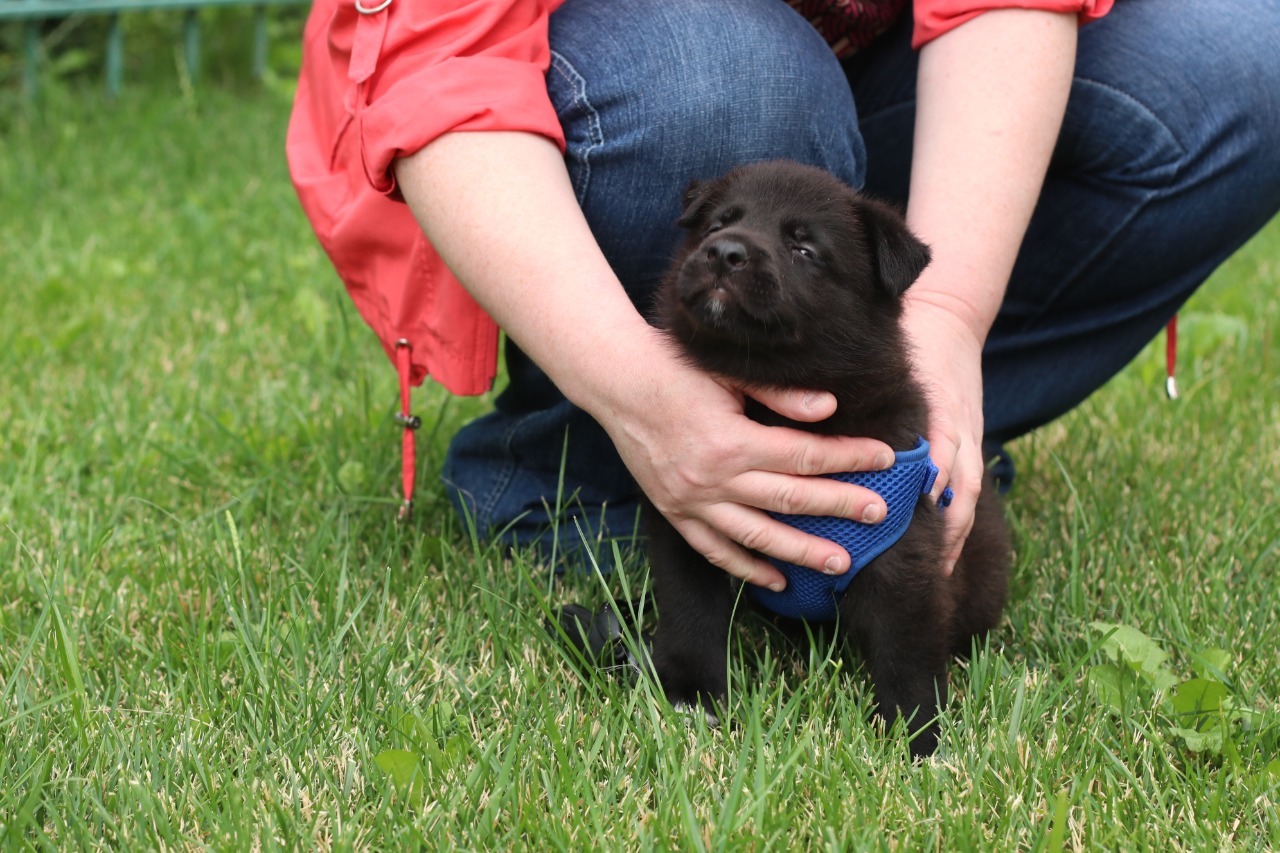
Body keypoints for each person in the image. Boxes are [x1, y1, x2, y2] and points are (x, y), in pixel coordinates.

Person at [287, 0, 1280, 590]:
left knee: (1248, 60)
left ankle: (871, 445)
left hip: (866, 78)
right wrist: (635, 382)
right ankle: (585, 459)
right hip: (655, 81)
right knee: (742, 89)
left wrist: (944, 318)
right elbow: (444, 62)